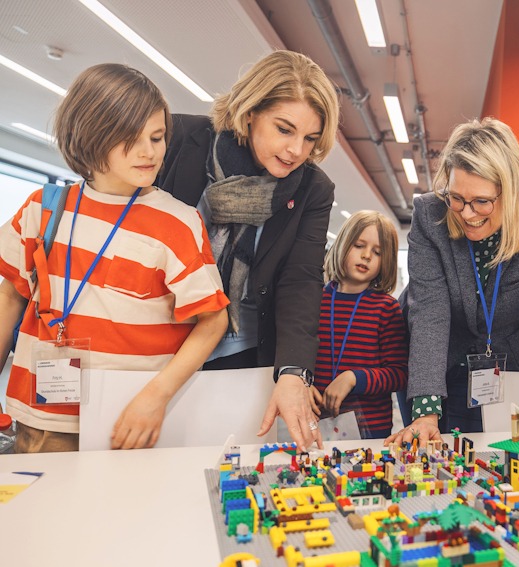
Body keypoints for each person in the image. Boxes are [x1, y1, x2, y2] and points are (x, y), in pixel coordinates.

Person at [0, 63, 229, 452]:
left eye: (157, 138)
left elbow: (212, 320)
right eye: (130, 139)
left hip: (127, 422)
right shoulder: (45, 209)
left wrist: (155, 397)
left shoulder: (177, 222)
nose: (149, 152)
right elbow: (9, 297)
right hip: (42, 419)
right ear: (89, 135)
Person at [385, 117, 519, 448]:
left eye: (482, 202)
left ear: (513, 192)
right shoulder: (430, 215)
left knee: (497, 449)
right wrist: (426, 412)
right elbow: (430, 313)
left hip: (504, 360)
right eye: (456, 197)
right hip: (434, 358)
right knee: (434, 449)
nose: (466, 213)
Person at [156, 51, 340, 449]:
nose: (296, 151)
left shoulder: (312, 189)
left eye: (310, 138)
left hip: (239, 351)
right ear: (250, 111)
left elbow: (301, 280)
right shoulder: (181, 140)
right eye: (285, 129)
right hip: (158, 337)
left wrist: (293, 372)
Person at [315, 211, 407, 439]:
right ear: (343, 244)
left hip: (369, 430)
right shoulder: (313, 302)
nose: (367, 256)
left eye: (377, 252)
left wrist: (354, 378)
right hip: (315, 423)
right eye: (359, 246)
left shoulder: (386, 308)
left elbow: (398, 373)